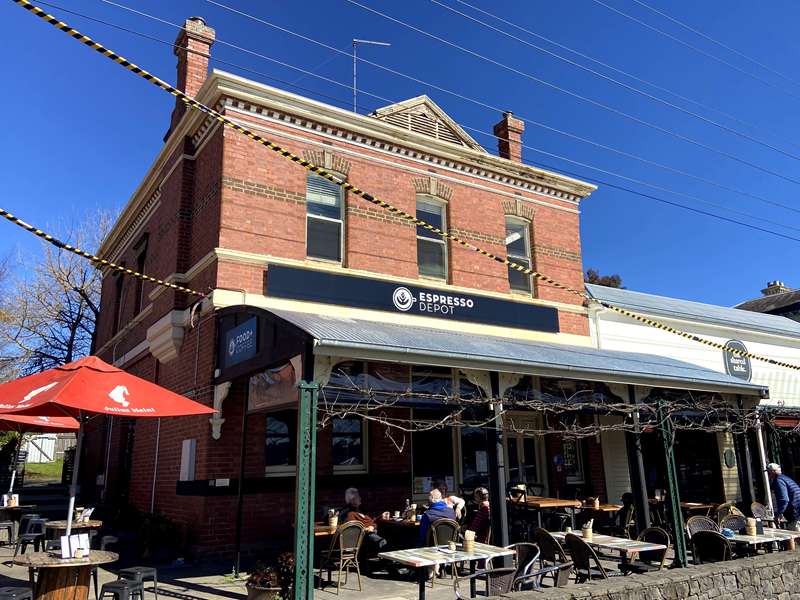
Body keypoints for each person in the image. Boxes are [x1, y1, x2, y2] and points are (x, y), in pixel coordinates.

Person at [340, 487, 388, 554]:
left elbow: (370, 521)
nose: (360, 498)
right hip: (366, 536)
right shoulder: (350, 513)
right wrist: (367, 529)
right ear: (352, 500)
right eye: (358, 497)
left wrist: (381, 516)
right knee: (382, 542)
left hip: (374, 531)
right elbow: (352, 529)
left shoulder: (360, 510)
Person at [767, 463, 800, 529]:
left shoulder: (779, 481)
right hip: (797, 510)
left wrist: (778, 514)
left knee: (793, 533)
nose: (768, 474)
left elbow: (784, 500)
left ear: (773, 472)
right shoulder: (785, 478)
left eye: (768, 472)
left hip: (796, 513)